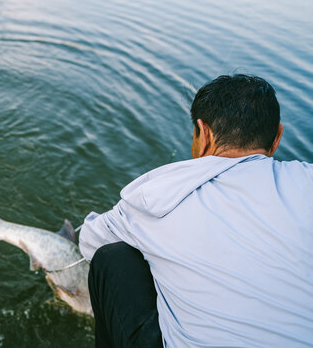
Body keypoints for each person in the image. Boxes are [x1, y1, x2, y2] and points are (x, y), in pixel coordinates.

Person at [79, 74, 313, 348]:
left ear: (204, 134)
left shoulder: (159, 192)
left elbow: (91, 243)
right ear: (277, 138)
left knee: (112, 257)